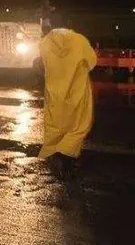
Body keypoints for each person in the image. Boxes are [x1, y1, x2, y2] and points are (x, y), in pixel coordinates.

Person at [37, 10, 97, 179]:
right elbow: (92, 62)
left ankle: (56, 155)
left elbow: (41, 64)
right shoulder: (79, 40)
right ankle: (66, 160)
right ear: (68, 23)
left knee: (56, 126)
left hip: (54, 93)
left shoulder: (45, 42)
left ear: (50, 25)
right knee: (77, 127)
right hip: (76, 93)